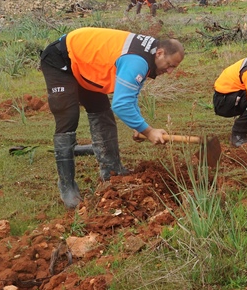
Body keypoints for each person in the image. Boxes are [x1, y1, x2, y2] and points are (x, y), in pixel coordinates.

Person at [40, 27, 184, 209]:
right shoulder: (138, 61)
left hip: (86, 64)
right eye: (170, 65)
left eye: (174, 67)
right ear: (160, 53)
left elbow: (130, 93)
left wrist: (138, 125)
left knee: (101, 111)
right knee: (68, 117)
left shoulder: (149, 55)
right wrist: (148, 131)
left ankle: (111, 171)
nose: (170, 71)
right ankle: (67, 187)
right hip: (61, 59)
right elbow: (121, 104)